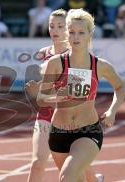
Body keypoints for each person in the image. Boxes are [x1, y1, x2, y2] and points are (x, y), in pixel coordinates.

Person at [37, 8, 125, 182]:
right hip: (58, 132)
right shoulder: (56, 63)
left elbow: (120, 87)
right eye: (71, 32)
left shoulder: (100, 65)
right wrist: (58, 97)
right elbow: (41, 98)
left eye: (80, 33)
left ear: (90, 34)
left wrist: (112, 111)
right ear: (66, 33)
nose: (75, 37)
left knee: (66, 177)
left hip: (88, 131)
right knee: (77, 180)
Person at [26, 9, 104, 182]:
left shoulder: (78, 57)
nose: (54, 30)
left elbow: (77, 95)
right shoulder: (44, 53)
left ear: (68, 28)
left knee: (79, 169)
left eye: (60, 26)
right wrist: (39, 87)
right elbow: (44, 90)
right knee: (37, 162)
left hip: (71, 119)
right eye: (51, 26)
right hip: (47, 114)